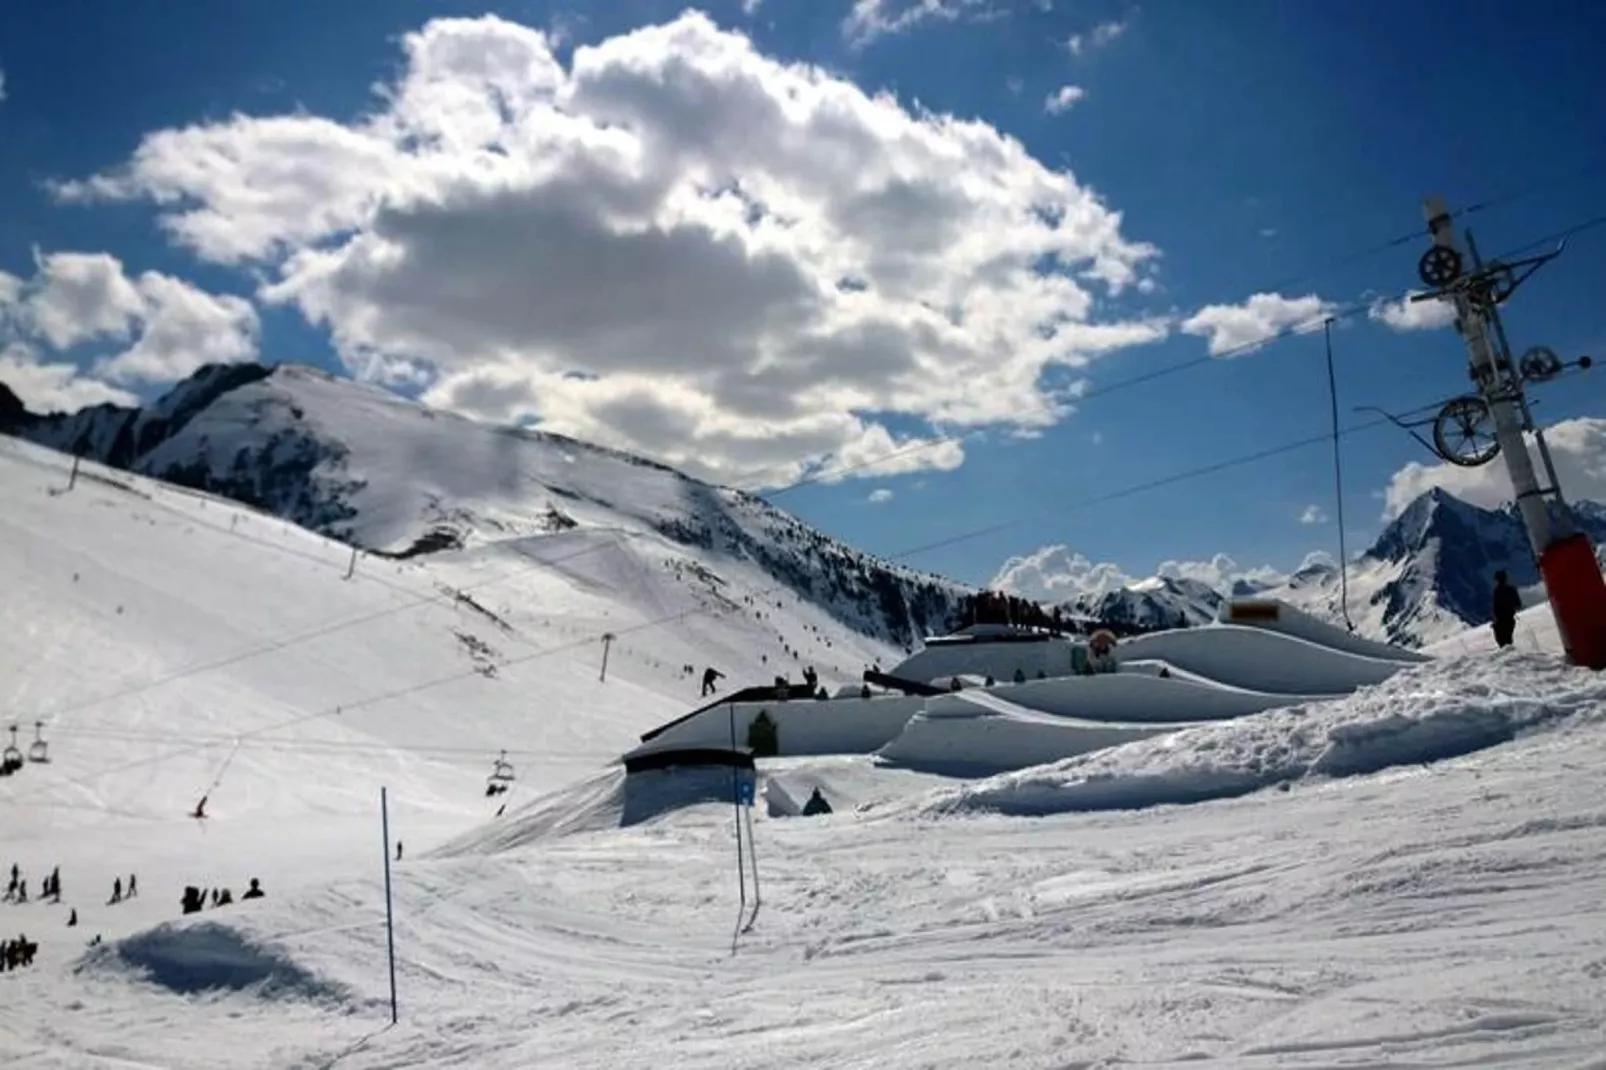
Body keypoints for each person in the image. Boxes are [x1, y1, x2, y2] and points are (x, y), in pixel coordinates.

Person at [1491, 570, 1522, 648]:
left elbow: (1496, 608)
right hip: (1510, 620)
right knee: (1508, 640)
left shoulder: (1497, 591)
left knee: (1502, 642)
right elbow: (1518, 604)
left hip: (1501, 621)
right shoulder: (1512, 589)